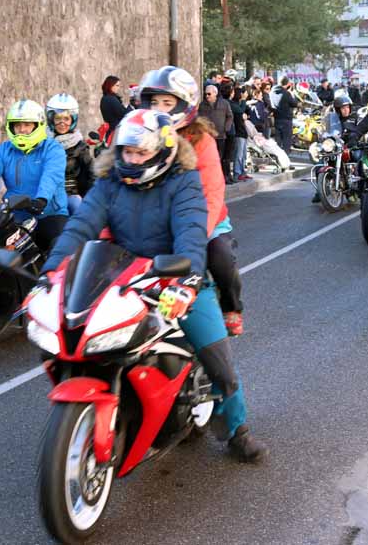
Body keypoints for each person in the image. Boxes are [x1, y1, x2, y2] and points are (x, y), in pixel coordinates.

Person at [39, 108, 267, 462]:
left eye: (141, 153)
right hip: (119, 274)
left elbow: (191, 234)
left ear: (162, 151)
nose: (132, 159)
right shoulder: (110, 182)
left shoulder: (184, 181)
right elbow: (80, 227)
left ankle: (238, 429)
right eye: (127, 152)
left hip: (174, 276)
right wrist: (50, 274)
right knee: (75, 335)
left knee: (217, 358)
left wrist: (186, 282)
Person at [139, 66, 246, 337]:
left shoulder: (202, 141)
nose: (159, 108)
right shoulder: (138, 137)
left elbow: (211, 193)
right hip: (155, 221)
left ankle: (231, 307)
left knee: (222, 258)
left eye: (167, 102)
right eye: (154, 102)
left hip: (202, 221)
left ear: (184, 105)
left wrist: (197, 233)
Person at [0, 99, 68, 252]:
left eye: (27, 125)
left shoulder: (53, 149)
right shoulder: (4, 150)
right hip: (15, 213)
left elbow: (51, 176)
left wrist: (41, 200)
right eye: (17, 125)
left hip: (48, 213)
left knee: (59, 249)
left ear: (38, 125)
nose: (22, 130)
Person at [46, 93, 94, 215]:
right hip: (46, 195)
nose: (62, 123)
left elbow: (91, 174)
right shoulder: (42, 143)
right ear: (51, 119)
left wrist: (88, 199)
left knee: (80, 214)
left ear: (73, 120)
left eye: (66, 119)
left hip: (70, 195)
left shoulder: (80, 146)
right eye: (58, 119)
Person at [272, 76, 298, 158]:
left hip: (276, 119)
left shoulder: (272, 92)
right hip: (286, 120)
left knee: (278, 142)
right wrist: (292, 93)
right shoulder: (286, 94)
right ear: (287, 84)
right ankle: (285, 161)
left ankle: (278, 160)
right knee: (286, 143)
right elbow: (294, 104)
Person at [230, 85, 251, 181]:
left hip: (243, 131)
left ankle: (242, 171)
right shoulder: (233, 104)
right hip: (238, 132)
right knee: (238, 154)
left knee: (243, 155)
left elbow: (247, 111)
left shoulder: (239, 104)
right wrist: (243, 100)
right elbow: (240, 111)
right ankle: (237, 173)